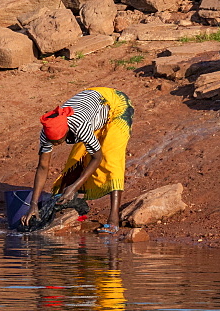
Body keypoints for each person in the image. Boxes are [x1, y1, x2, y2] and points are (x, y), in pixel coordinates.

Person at [20, 87, 134, 233]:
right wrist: (33, 205)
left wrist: (73, 187)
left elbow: (96, 158)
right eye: (52, 142)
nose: (55, 145)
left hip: (116, 105)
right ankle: (67, 210)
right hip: (93, 107)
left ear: (66, 132)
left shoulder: (79, 126)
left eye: (58, 142)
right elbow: (42, 167)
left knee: (110, 158)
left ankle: (113, 218)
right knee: (75, 162)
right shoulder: (47, 131)